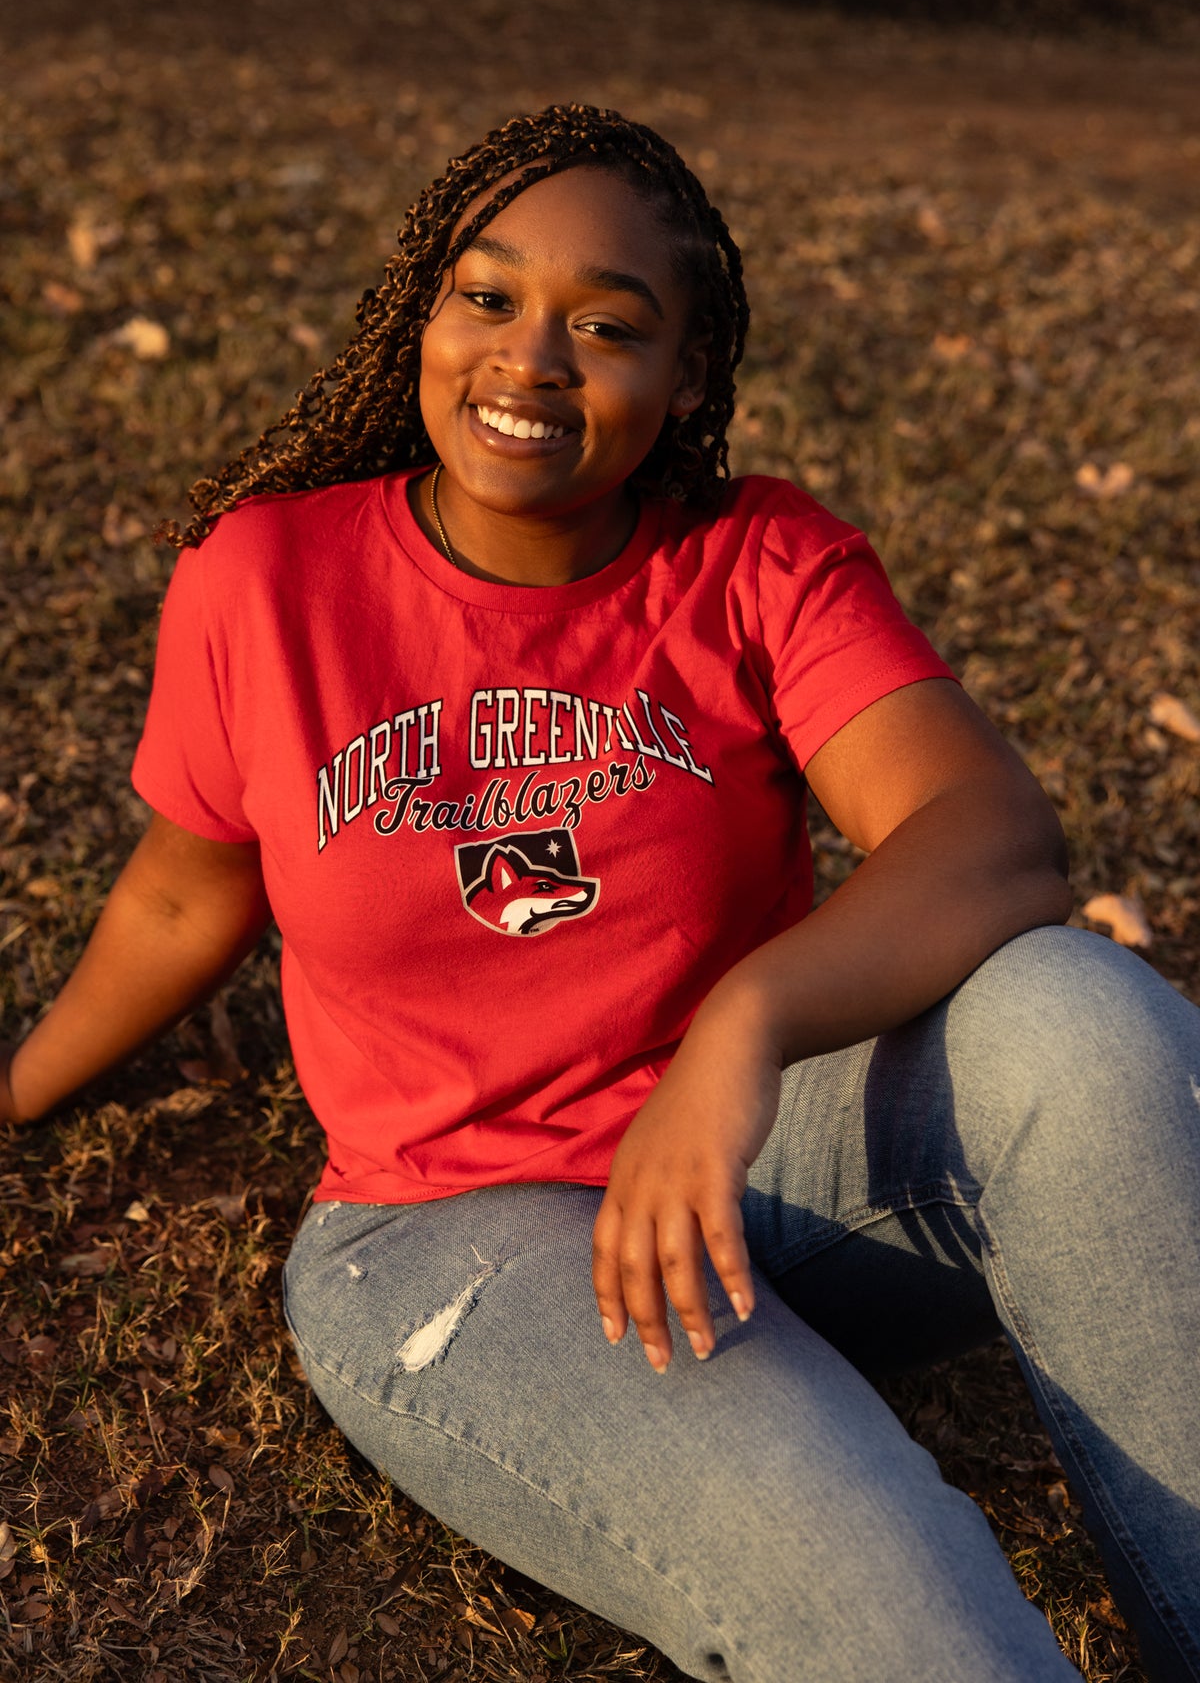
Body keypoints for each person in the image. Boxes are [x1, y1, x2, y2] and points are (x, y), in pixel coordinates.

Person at [2, 103, 1197, 1683]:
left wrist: (743, 1030)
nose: (530, 360)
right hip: (462, 1236)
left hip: (764, 1166)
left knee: (1082, 1013)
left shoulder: (756, 561)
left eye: (608, 325)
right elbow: (179, 899)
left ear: (687, 375)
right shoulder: (267, 579)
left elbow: (990, 836)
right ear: (422, 316)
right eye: (486, 298)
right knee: (901, 1597)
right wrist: (14, 1087)